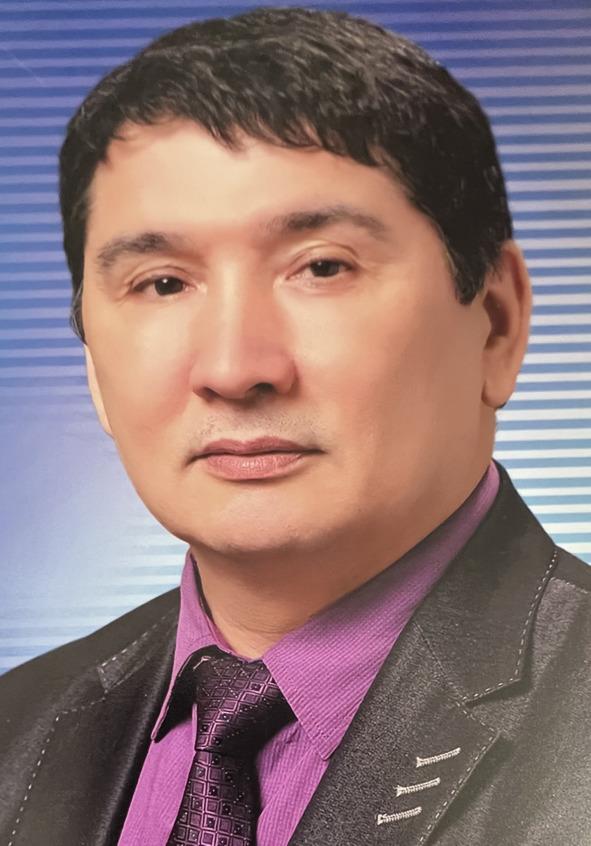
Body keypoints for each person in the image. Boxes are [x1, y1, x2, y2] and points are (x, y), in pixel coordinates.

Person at [1, 5, 590, 845]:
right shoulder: (16, 729)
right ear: (93, 360)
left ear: (495, 323)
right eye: (162, 283)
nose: (234, 368)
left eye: (320, 267)